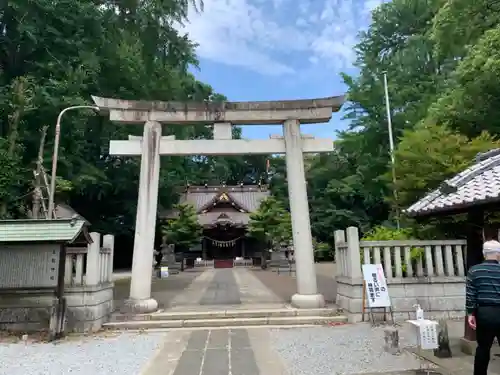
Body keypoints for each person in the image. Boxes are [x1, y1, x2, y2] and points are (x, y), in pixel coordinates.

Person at [467, 237, 500, 375]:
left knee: (483, 348)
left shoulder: (474, 271)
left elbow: (470, 295)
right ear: (498, 254)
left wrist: (470, 314)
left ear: (484, 253)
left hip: (484, 312)